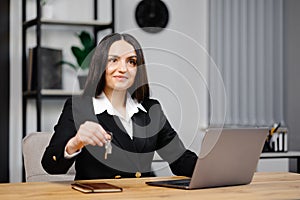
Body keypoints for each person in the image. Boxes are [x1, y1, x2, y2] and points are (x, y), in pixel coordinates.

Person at [41, 33, 198, 180]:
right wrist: (76, 142)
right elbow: (51, 164)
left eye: (131, 62)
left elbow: (180, 159)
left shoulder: (151, 109)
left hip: (143, 196)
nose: (123, 69)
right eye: (113, 60)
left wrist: (213, 167)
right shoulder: (79, 108)